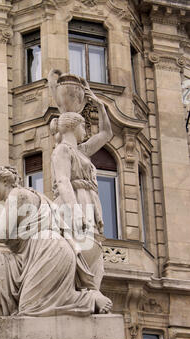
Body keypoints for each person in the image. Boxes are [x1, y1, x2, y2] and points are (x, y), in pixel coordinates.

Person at [0, 166, 112, 327]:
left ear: (4, 181)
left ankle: (90, 299)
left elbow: (2, 234)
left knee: (32, 309)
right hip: (33, 255)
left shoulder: (16, 194)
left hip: (47, 251)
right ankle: (5, 308)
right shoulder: (37, 196)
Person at [50, 87, 113, 289]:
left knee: (92, 250)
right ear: (73, 126)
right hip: (73, 202)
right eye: (83, 126)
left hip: (87, 201)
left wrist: (100, 106)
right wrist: (75, 212)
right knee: (78, 249)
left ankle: (89, 292)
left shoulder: (82, 150)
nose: (86, 131)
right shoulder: (62, 150)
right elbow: (62, 181)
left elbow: (106, 133)